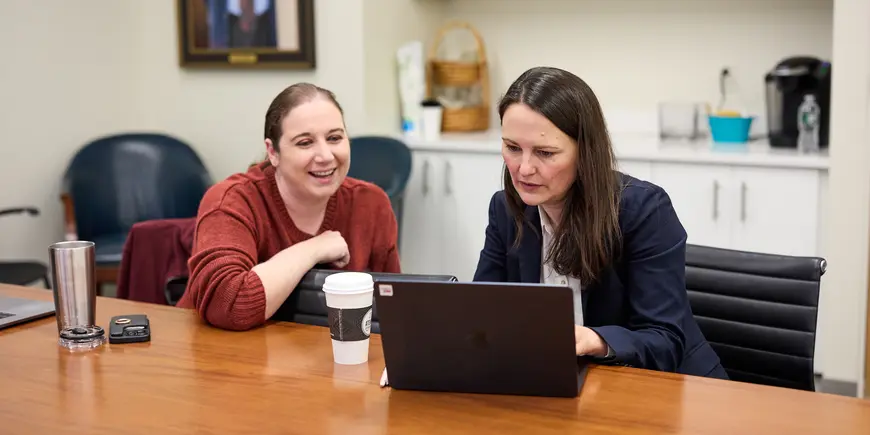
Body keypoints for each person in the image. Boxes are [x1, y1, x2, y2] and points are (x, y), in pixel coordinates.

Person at [473, 66, 727, 379]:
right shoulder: (505, 210)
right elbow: (482, 316)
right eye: (512, 148)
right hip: (563, 384)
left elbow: (666, 341)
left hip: (665, 388)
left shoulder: (644, 210)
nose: (524, 169)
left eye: (545, 152)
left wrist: (595, 340)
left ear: (585, 152)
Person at [177, 83, 401, 331]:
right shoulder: (231, 200)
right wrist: (314, 248)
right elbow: (229, 307)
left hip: (315, 359)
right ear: (273, 152)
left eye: (335, 138)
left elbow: (393, 312)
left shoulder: (371, 203)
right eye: (305, 143)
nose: (325, 155)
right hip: (217, 356)